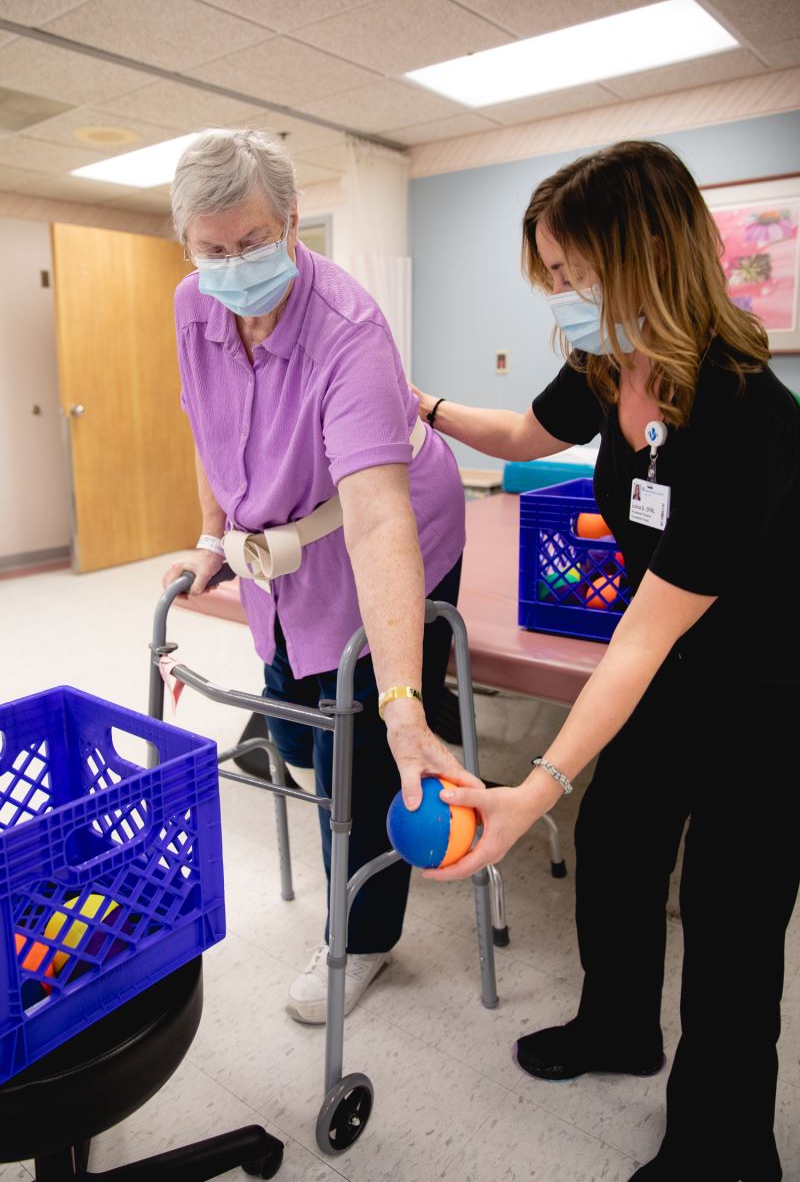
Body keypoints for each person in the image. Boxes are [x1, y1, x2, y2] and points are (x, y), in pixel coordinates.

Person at [413, 140, 800, 1181]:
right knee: (618, 843)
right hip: (671, 666)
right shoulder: (603, 363)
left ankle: (723, 1146)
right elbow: (522, 436)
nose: (565, 295)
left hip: (770, 687)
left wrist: (530, 785)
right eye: (552, 274)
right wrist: (426, 410)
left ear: (649, 256)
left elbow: (641, 633)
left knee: (729, 917)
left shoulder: (745, 414)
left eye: (578, 273)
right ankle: (618, 1028)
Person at [163, 128, 471, 1025]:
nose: (231, 265)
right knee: (299, 740)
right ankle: (362, 732)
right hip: (279, 550)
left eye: (253, 242)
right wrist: (209, 539)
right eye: (211, 249)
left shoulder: (350, 330)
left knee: (363, 746)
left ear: (294, 221)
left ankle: (364, 936)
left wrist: (401, 696)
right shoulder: (193, 304)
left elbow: (378, 519)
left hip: (387, 528)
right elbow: (209, 429)